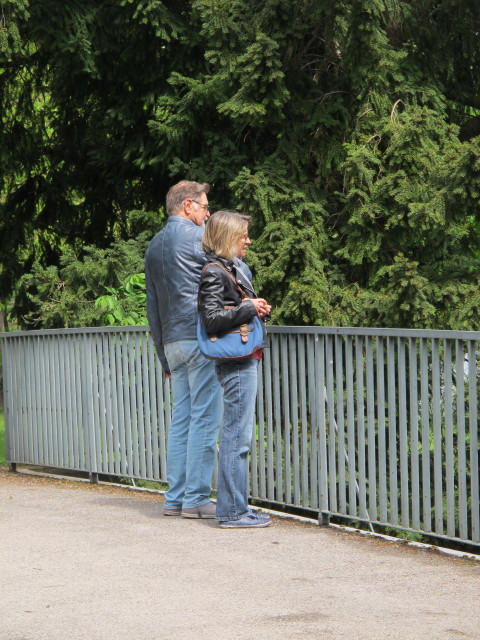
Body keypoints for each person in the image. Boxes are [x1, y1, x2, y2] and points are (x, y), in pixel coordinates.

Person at [145, 180, 222, 518]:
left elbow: (152, 307)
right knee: (205, 419)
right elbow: (224, 275)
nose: (207, 215)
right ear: (188, 205)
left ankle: (175, 498)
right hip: (200, 340)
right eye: (205, 208)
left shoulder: (154, 246)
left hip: (173, 345)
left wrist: (163, 354)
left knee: (181, 421)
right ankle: (196, 499)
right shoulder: (196, 238)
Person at [198, 210, 272, 528]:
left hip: (243, 358)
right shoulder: (214, 271)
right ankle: (232, 513)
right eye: (243, 236)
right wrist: (247, 308)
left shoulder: (229, 269)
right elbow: (211, 320)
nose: (248, 241)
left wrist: (255, 309)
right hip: (237, 363)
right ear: (229, 237)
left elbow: (230, 310)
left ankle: (238, 508)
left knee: (239, 438)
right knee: (235, 439)